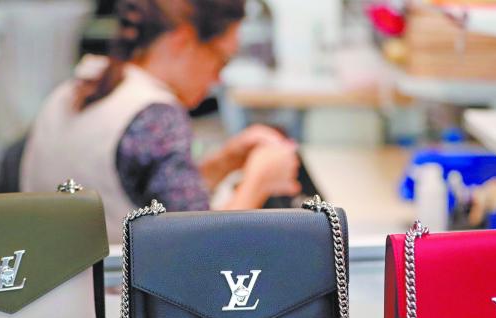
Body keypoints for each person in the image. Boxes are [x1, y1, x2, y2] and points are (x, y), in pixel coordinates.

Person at [21, 0, 301, 243]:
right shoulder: (156, 117)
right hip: (114, 297)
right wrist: (259, 182)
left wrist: (221, 165)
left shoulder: (75, 88)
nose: (218, 79)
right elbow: (202, 247)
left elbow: (149, 194)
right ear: (183, 41)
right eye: (221, 61)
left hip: (54, 285)